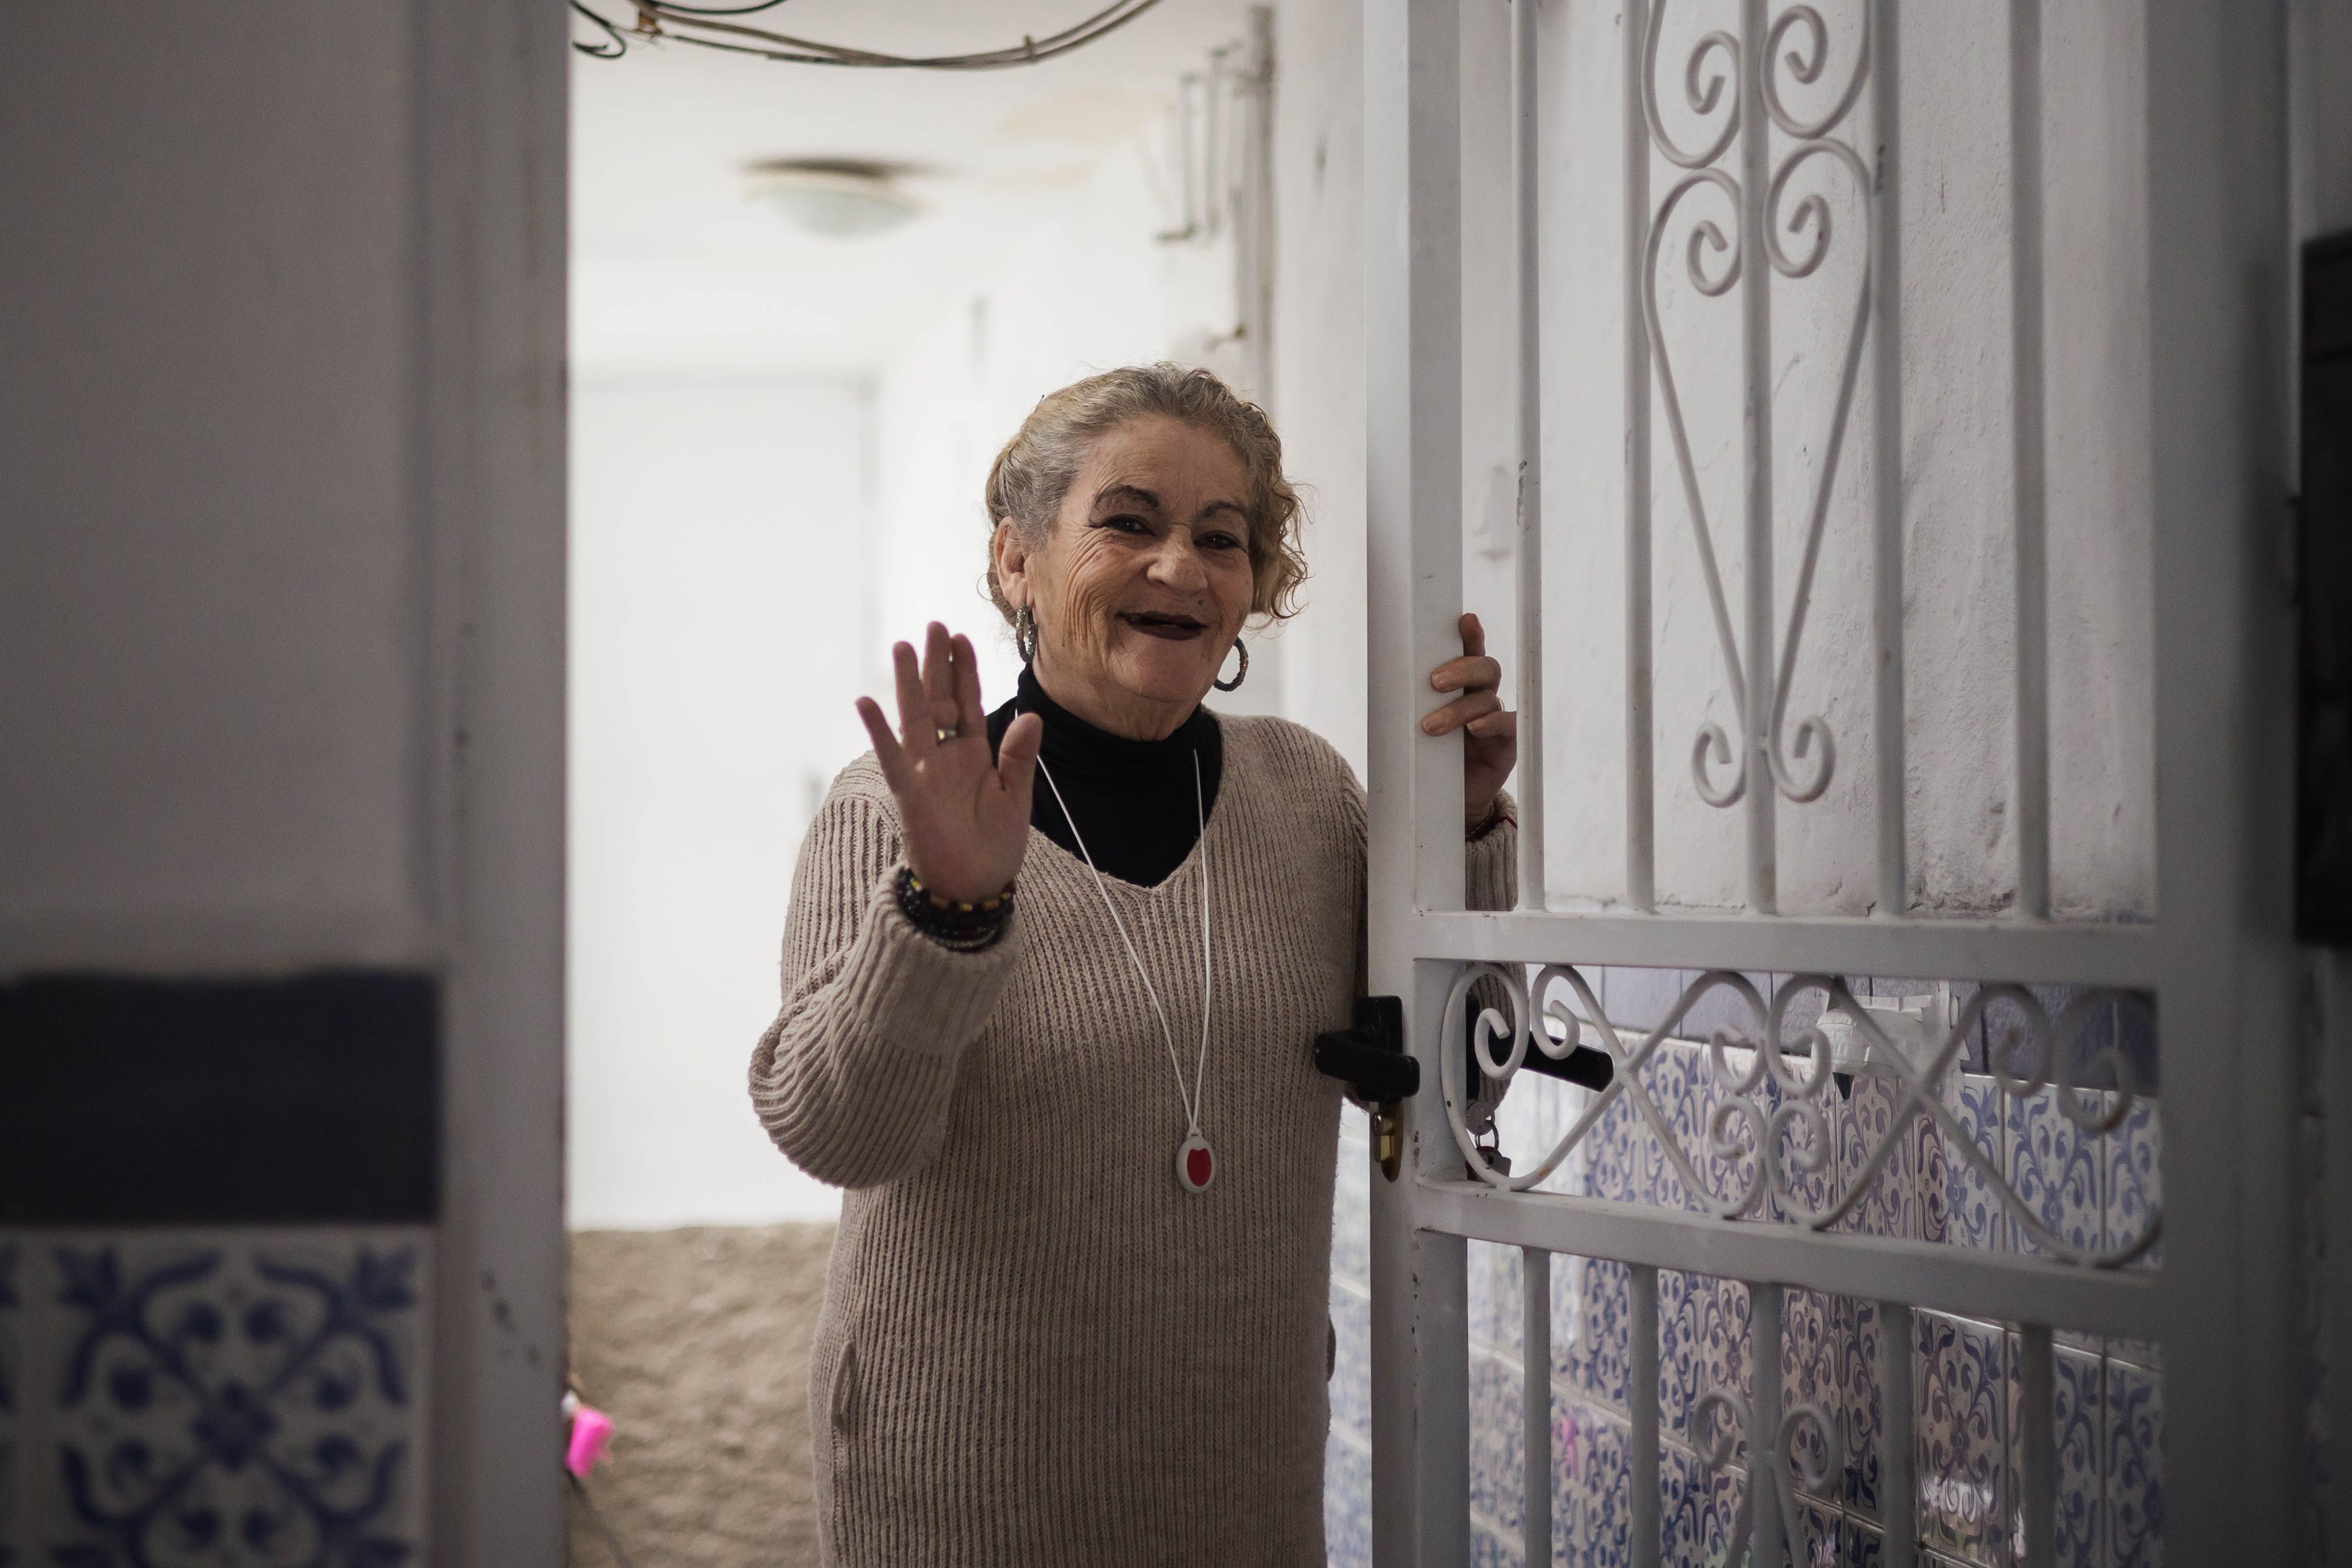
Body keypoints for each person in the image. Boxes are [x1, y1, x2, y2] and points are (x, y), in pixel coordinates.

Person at [749, 363, 1517, 1564]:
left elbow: (1455, 1086)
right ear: (1017, 559)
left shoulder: (1307, 795)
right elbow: (838, 1136)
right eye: (1128, 521)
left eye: (1221, 537)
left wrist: (1461, 830)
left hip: (1242, 1481)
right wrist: (946, 908)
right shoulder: (892, 812)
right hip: (963, 1489)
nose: (1180, 567)